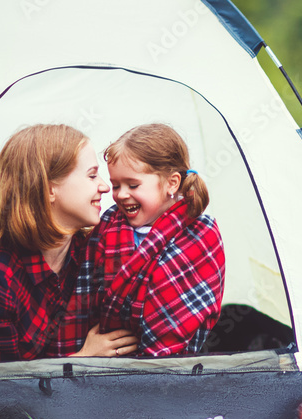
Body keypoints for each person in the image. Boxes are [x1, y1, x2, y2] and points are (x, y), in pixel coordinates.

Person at [0, 124, 139, 363]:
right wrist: (84, 359)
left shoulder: (88, 250)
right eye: (92, 175)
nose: (104, 186)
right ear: (49, 188)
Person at [69, 123, 225, 357]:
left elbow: (188, 310)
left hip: (172, 365)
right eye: (115, 185)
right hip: (104, 360)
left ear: (171, 183)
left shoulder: (199, 234)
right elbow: (83, 292)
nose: (121, 194)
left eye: (133, 185)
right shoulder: (110, 224)